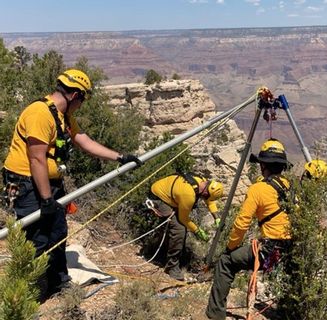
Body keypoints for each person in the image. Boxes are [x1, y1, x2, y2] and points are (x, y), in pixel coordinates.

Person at [1, 69, 141, 300]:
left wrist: (120, 157)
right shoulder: (40, 113)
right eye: (83, 99)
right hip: (27, 184)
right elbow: (37, 159)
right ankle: (24, 297)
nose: (82, 104)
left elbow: (82, 140)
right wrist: (46, 199)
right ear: (75, 95)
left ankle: (58, 283)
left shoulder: (62, 115)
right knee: (35, 239)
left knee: (57, 232)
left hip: (49, 183)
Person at [206, 138, 293, 319]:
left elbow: (242, 224)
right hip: (292, 249)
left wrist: (230, 248)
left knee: (226, 262)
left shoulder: (258, 189)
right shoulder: (291, 187)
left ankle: (215, 315)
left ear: (263, 165)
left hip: (270, 250)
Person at [147, 173, 223, 281]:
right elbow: (184, 219)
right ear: (206, 191)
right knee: (179, 229)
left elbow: (209, 201)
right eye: (206, 196)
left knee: (176, 226)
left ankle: (161, 252)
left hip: (169, 195)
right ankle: (171, 267)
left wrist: (216, 217)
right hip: (159, 197)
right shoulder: (188, 195)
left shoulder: (203, 182)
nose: (205, 198)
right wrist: (197, 231)